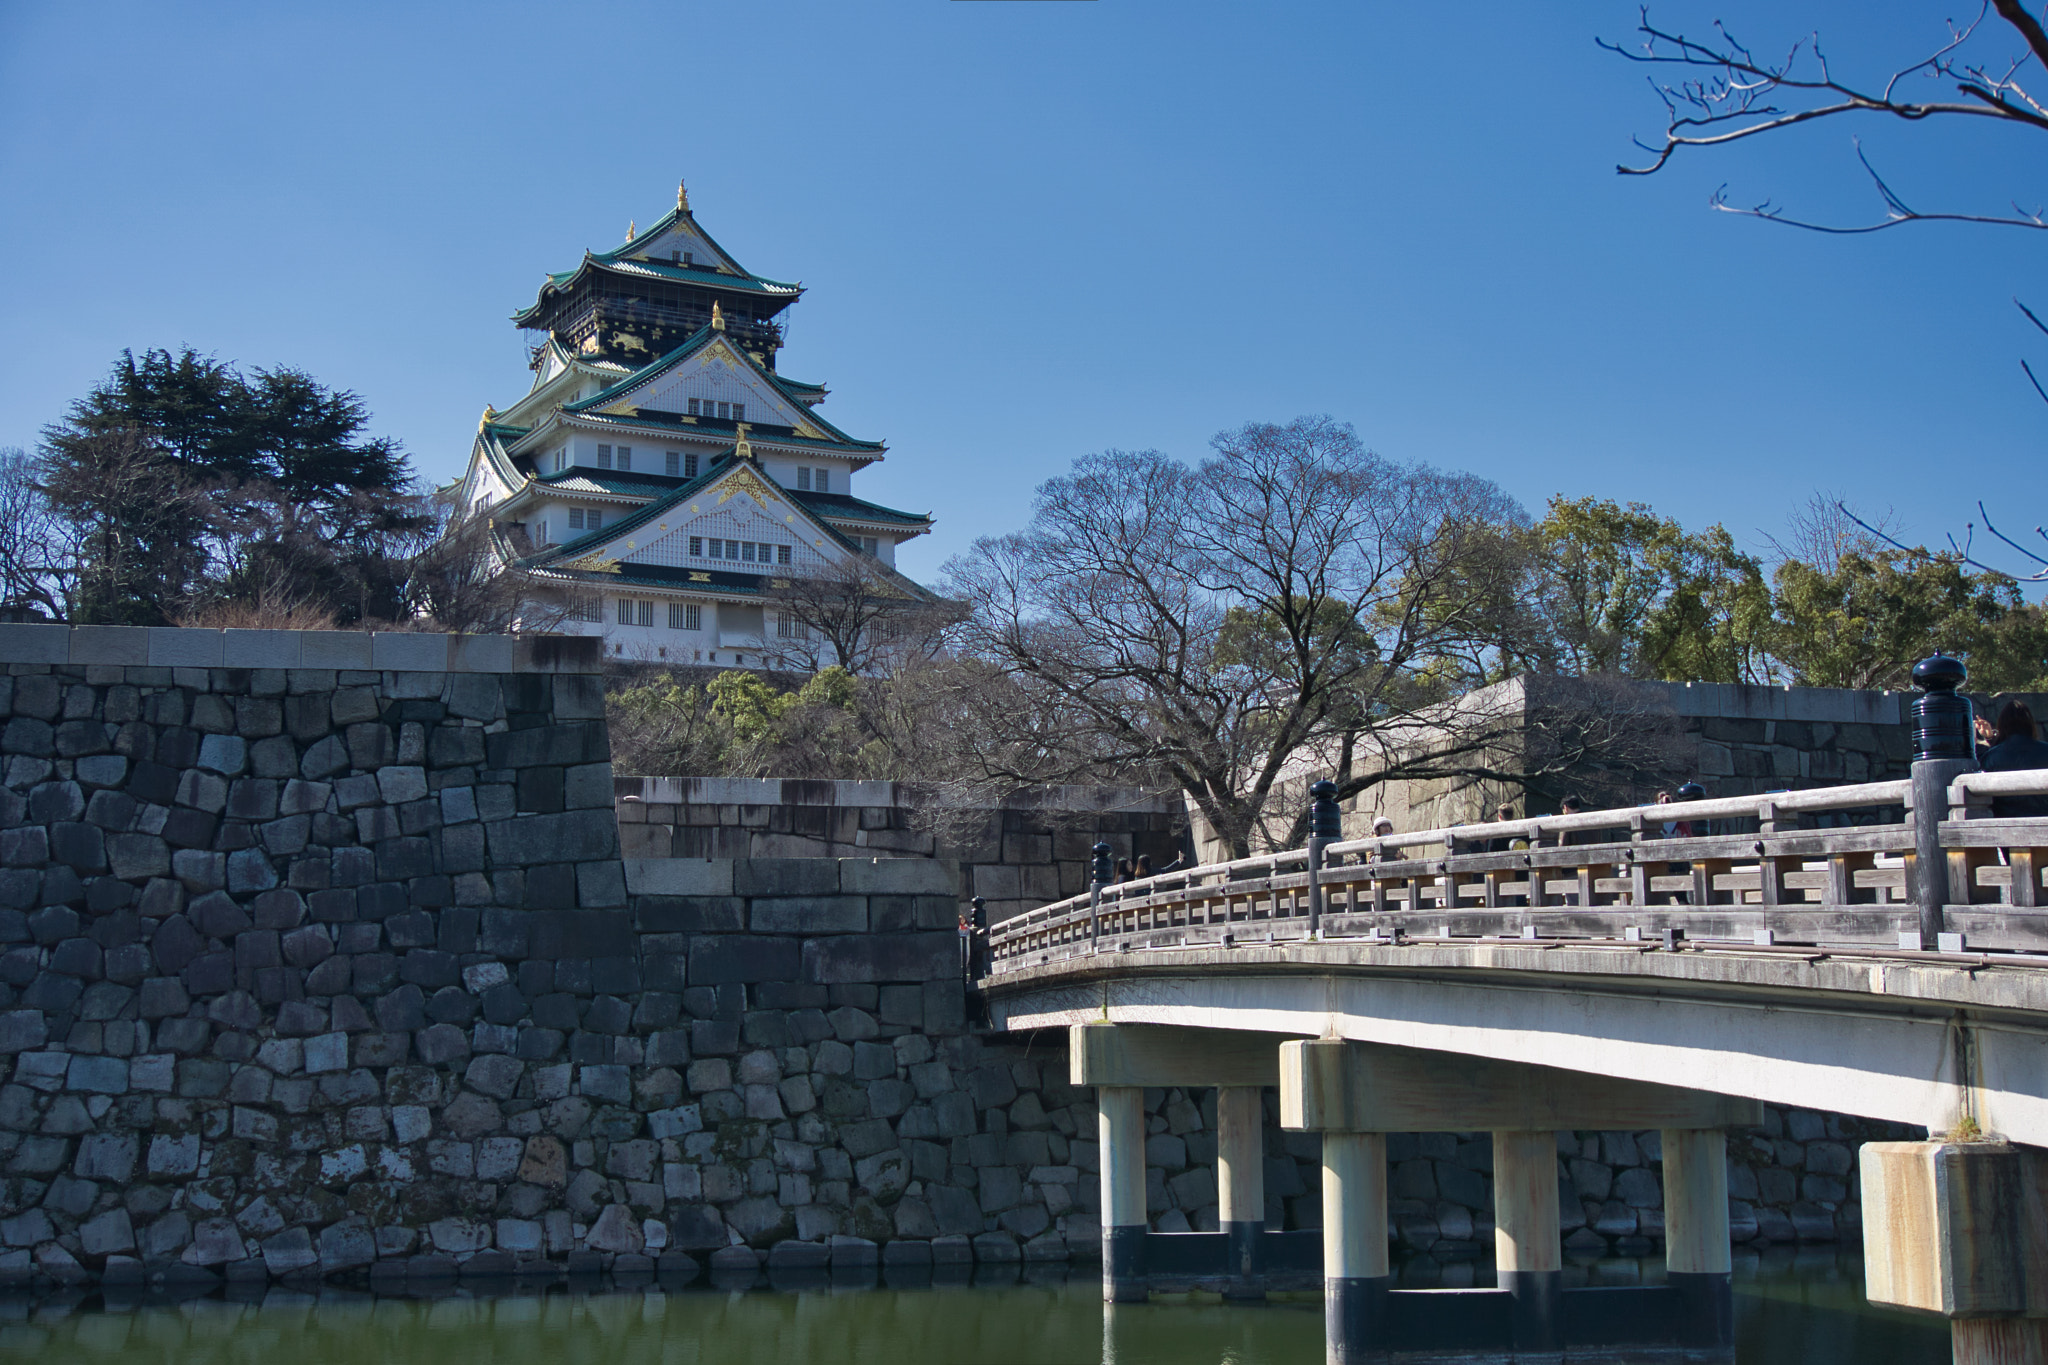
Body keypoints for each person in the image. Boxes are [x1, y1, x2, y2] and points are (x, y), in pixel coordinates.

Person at [1981, 701, 2048, 818]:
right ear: (2030, 724)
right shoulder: (2045, 750)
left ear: (2002, 724)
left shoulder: (1991, 756)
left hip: (2004, 824)